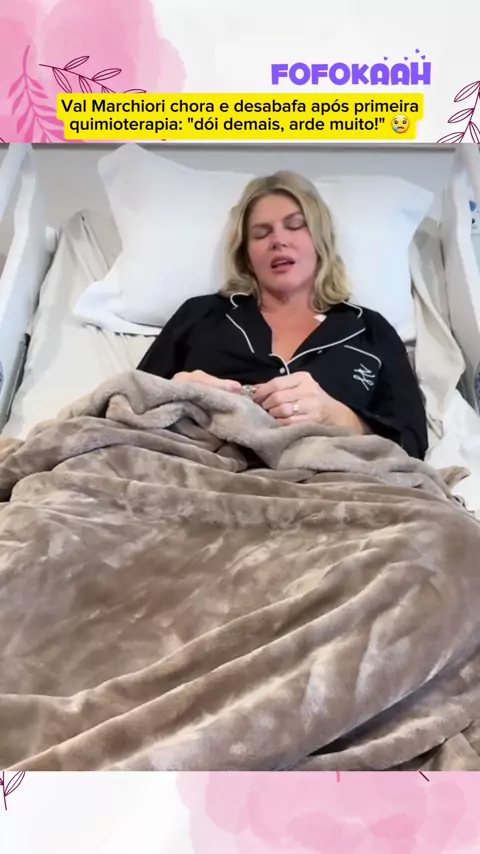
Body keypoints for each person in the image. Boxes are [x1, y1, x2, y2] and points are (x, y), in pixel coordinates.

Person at [138, 170, 428, 460]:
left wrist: (338, 416)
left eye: (295, 226)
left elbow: (412, 443)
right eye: (261, 233)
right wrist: (179, 391)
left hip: (333, 478)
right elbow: (128, 408)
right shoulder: (201, 316)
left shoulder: (370, 331)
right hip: (205, 471)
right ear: (246, 256)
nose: (278, 240)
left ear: (320, 241)